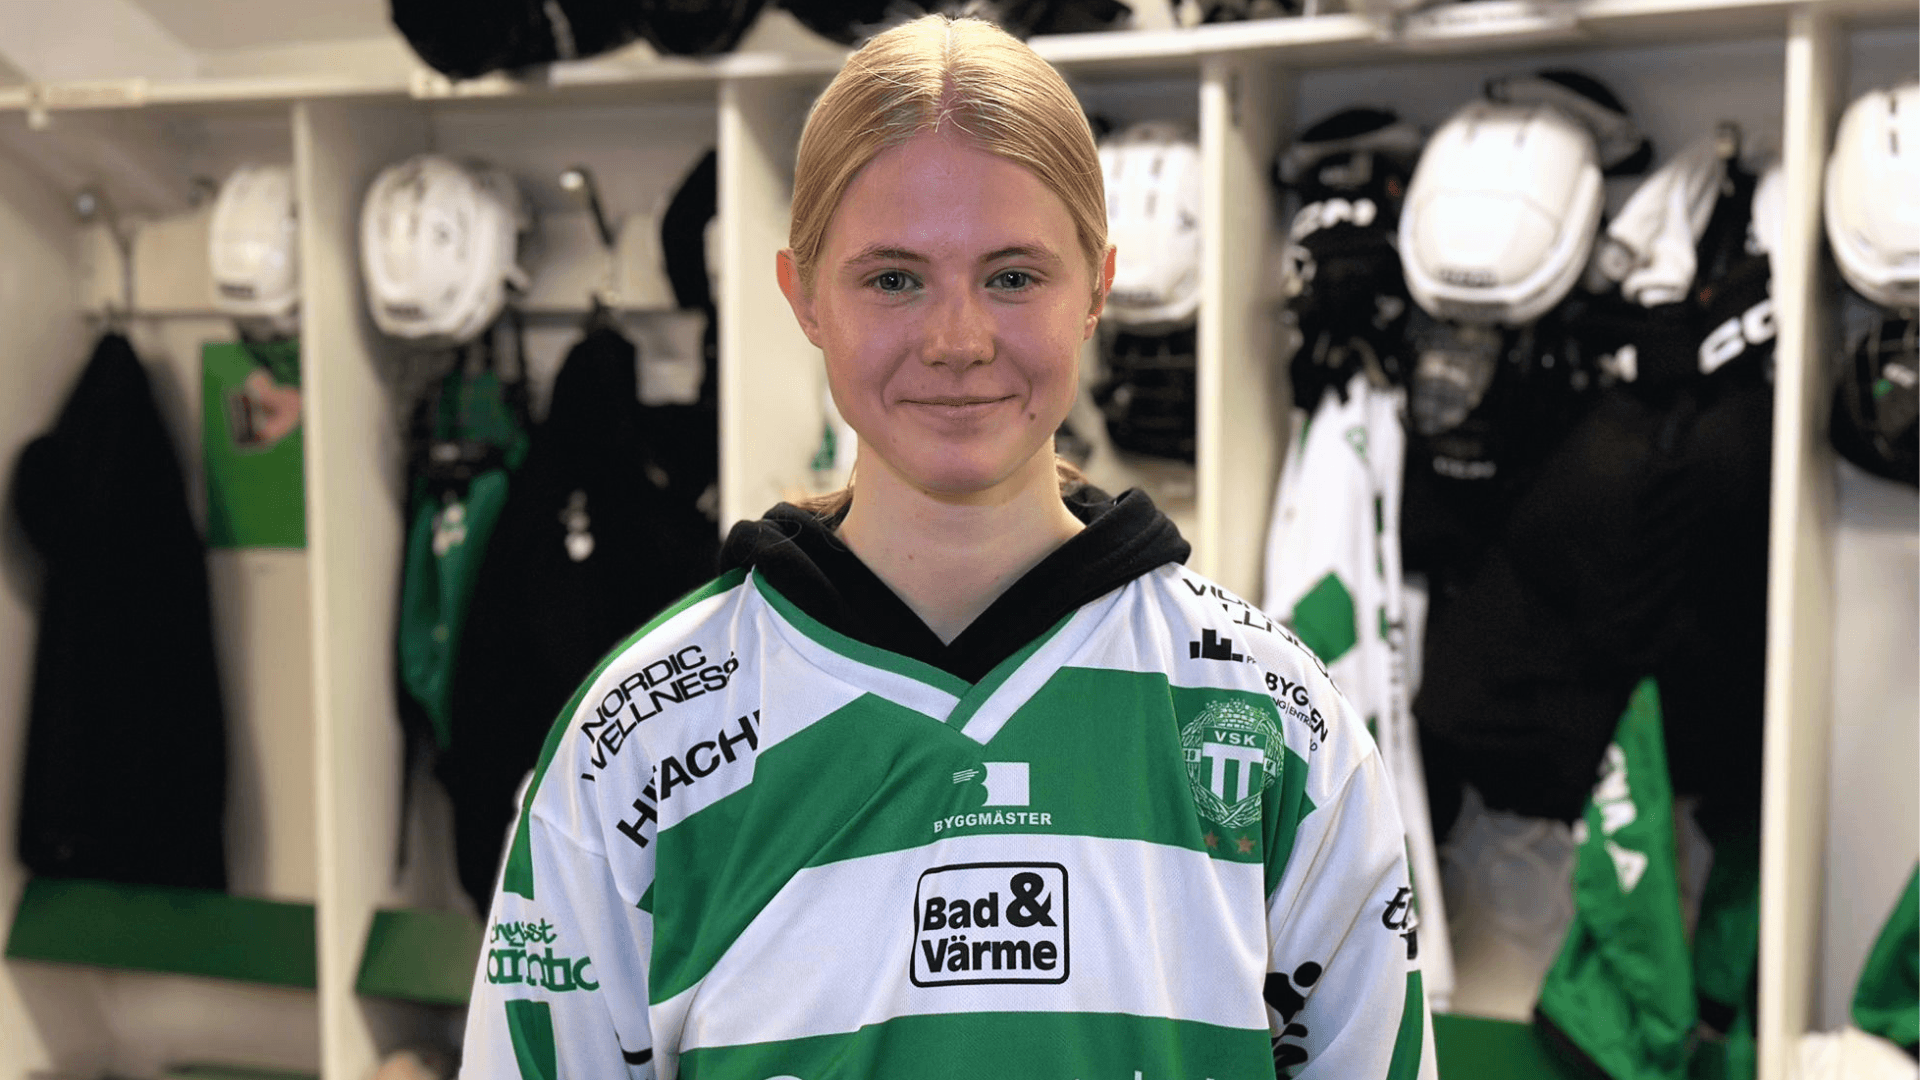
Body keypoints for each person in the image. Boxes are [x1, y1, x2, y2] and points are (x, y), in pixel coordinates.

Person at [460, 14, 1435, 1079]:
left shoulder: (1271, 716)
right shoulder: (641, 737)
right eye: (893, 278)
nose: (957, 341)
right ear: (803, 296)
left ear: (1097, 288)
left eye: (1013, 276)